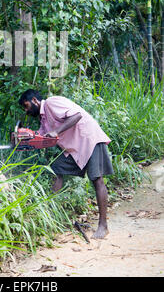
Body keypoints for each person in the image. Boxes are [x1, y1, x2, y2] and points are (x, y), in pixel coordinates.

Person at [18, 89, 114, 239]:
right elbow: (43, 139)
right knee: (55, 169)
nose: (26, 110)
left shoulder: (52, 103)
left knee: (97, 179)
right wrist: (25, 141)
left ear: (35, 100)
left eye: (26, 106)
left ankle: (103, 226)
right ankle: (51, 216)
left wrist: (56, 131)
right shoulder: (43, 119)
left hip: (88, 140)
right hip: (74, 148)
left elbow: (77, 116)